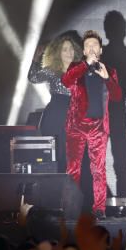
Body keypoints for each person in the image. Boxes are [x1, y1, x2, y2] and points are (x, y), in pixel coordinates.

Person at [63, 29, 122, 218]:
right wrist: (85, 64)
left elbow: (117, 96)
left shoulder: (109, 70)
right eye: (87, 45)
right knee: (73, 169)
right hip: (76, 127)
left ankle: (99, 209)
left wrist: (107, 78)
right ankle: (70, 208)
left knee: (98, 169)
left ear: (101, 49)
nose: (91, 47)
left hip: (98, 127)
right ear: (84, 51)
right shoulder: (76, 67)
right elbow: (66, 81)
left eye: (94, 45)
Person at [28, 33, 83, 173]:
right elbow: (33, 78)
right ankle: (56, 189)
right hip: (55, 117)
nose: (69, 52)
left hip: (74, 117)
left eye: (71, 48)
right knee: (56, 157)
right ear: (58, 53)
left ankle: (71, 190)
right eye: (64, 49)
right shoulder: (53, 70)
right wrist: (35, 58)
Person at [101, 11, 126, 198]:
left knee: (121, 165)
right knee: (116, 165)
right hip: (104, 117)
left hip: (117, 118)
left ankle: (119, 204)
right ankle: (112, 203)